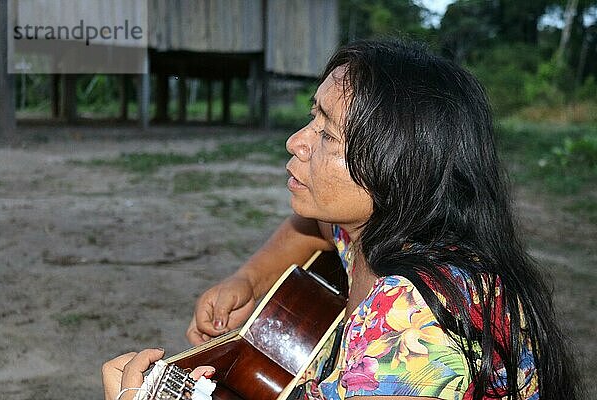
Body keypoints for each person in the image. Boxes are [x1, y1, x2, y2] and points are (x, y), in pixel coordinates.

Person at [103, 39, 580, 400]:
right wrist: (249, 279)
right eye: (313, 116)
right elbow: (310, 232)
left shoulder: (411, 331)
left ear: (399, 166)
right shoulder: (379, 232)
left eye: (327, 134)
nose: (296, 141)